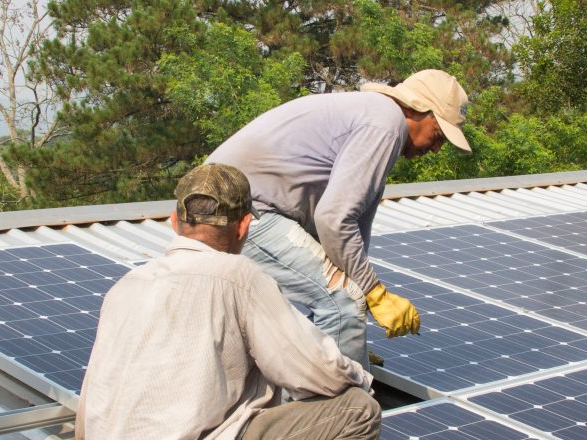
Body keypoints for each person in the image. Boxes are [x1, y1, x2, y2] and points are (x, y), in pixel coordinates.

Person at [77, 163, 380, 440]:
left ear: (173, 222)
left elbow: (89, 401)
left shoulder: (124, 287)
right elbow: (314, 370)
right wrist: (360, 377)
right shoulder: (239, 276)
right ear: (244, 225)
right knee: (358, 409)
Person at [205, 69, 472, 365]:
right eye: (438, 135)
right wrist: (373, 295)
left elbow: (352, 228)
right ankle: (337, 405)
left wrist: (350, 336)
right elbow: (334, 220)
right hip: (236, 211)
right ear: (417, 110)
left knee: (337, 302)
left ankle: (332, 363)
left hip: (224, 205)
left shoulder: (373, 115)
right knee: (342, 301)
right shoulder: (385, 124)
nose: (436, 149)